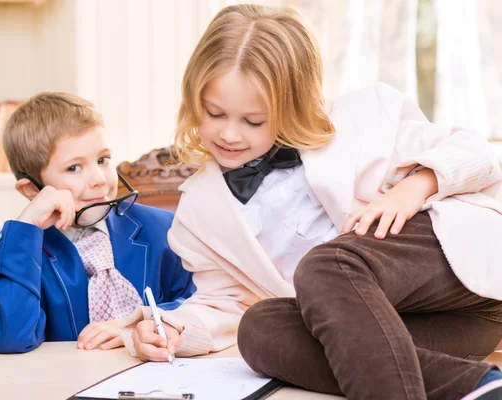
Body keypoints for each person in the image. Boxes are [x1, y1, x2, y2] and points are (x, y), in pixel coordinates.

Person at [122, 5, 502, 400]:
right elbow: (224, 303)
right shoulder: (199, 212)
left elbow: (479, 155)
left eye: (253, 121)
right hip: (424, 329)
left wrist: (415, 187)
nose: (230, 134)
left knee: (324, 267)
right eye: (215, 113)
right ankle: (479, 388)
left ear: (292, 105)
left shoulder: (366, 116)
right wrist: (170, 330)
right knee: (259, 330)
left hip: (463, 281)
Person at [0, 92, 195, 354]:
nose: (99, 179)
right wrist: (27, 227)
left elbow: (206, 306)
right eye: (74, 168)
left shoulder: (164, 229)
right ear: (33, 190)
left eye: (103, 160)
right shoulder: (14, 249)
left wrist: (141, 321)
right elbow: (10, 338)